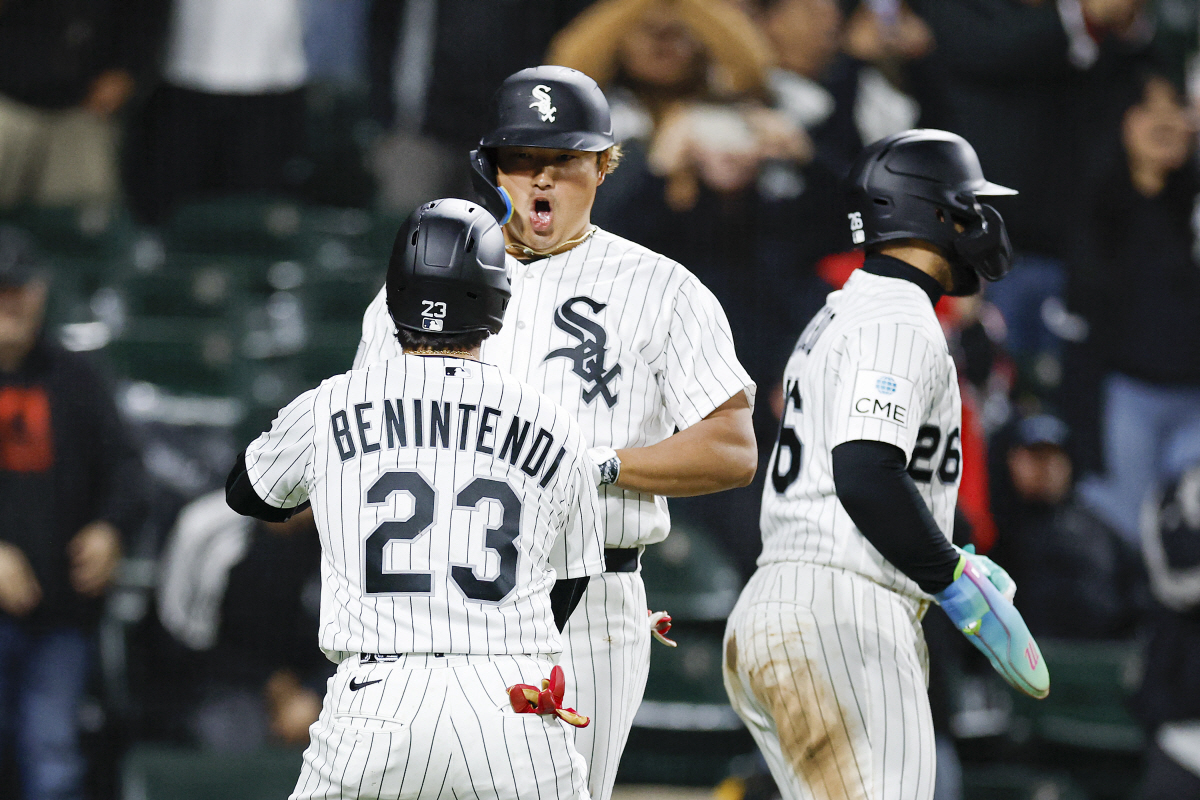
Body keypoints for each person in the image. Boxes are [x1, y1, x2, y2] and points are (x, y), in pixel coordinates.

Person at [354, 66, 758, 800]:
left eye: (565, 162)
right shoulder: (419, 283)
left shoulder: (662, 288)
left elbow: (731, 447)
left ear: (605, 166)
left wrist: (597, 466)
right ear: (490, 167)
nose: (542, 180)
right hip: (440, 598)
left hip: (594, 601)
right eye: (522, 159)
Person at [226, 198, 606, 800]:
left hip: (377, 699)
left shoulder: (331, 402)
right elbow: (574, 579)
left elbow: (249, 494)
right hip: (511, 700)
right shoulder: (554, 421)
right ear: (496, 300)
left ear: (395, 294)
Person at [721, 130, 1048, 800]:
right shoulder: (898, 317)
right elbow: (866, 471)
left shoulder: (846, 312)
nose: (980, 223)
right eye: (968, 207)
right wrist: (953, 578)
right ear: (930, 212)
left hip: (793, 605)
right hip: (841, 611)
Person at [0, 225, 145, 800]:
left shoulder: (76, 378)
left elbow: (129, 472)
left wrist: (110, 530)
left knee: (53, 755)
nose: (9, 302)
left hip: (61, 615)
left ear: (40, 292)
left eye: (18, 288)